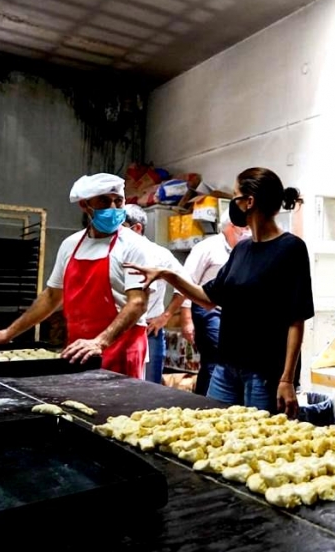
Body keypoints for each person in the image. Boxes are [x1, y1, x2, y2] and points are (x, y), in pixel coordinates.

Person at [127, 168, 313, 416]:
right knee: (216, 432)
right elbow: (208, 298)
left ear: (249, 202)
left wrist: (287, 379)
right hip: (226, 368)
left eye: (235, 195)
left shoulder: (290, 249)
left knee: (257, 443)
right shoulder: (242, 249)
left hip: (265, 374)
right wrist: (168, 275)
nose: (232, 203)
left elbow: (296, 320)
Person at [0, 173, 150, 377]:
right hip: (79, 347)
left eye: (119, 201)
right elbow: (52, 296)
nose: (114, 209)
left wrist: (100, 341)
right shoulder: (70, 245)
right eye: (105, 201)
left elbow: (137, 303)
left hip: (120, 346)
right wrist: (9, 333)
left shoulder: (135, 246)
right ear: (85, 205)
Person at [179, 211, 250, 395]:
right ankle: (209, 401)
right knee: (218, 357)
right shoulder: (207, 247)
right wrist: (186, 319)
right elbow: (187, 281)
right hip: (206, 308)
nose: (247, 231)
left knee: (226, 358)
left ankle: (212, 398)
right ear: (229, 226)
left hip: (232, 311)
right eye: (244, 227)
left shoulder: (244, 249)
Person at [122, 204, 187, 384]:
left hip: (149, 331)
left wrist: (165, 316)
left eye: (122, 227)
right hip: (116, 330)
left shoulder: (159, 254)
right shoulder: (113, 252)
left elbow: (185, 284)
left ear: (137, 228)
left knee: (149, 389)